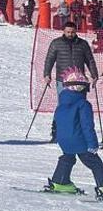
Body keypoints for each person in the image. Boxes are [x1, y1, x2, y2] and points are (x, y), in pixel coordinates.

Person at [44, 66, 103, 201]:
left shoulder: (61, 105)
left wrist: (59, 137)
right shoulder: (83, 104)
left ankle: (60, 181)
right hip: (80, 141)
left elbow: (58, 124)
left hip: (64, 141)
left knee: (68, 158)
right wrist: (92, 144)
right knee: (95, 163)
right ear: (82, 87)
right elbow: (87, 126)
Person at [43, 21, 99, 142]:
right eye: (68, 32)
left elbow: (90, 60)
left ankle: (79, 133)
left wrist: (94, 75)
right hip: (62, 81)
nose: (70, 34)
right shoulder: (56, 43)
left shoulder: (83, 44)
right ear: (63, 31)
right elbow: (49, 59)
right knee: (63, 106)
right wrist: (47, 74)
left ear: (76, 31)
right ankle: (57, 133)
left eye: (72, 32)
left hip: (79, 82)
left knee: (80, 107)